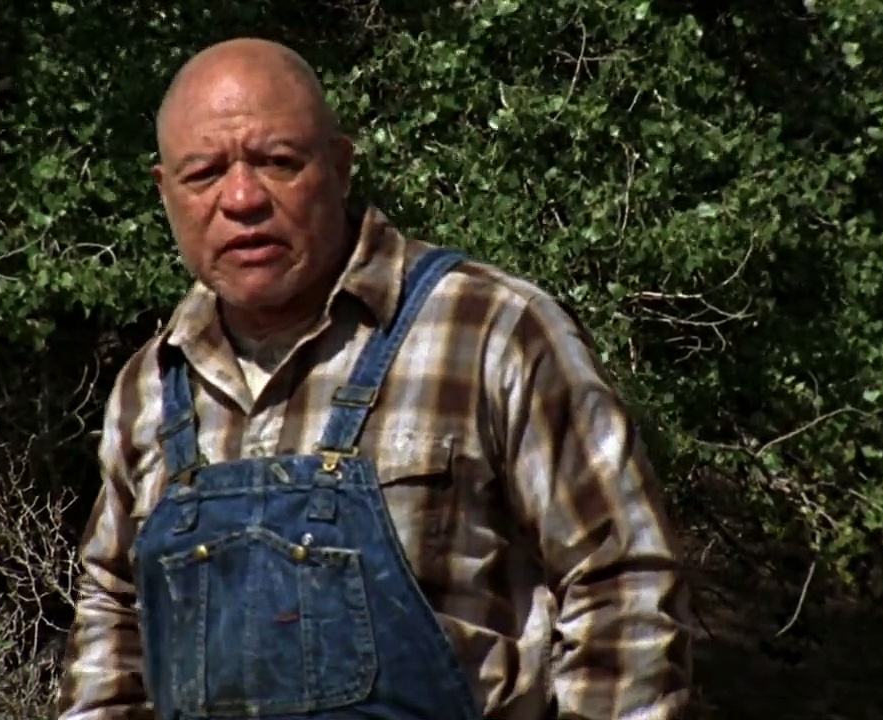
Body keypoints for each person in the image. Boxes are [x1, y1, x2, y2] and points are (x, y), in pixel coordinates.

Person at [56, 37, 692, 720]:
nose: (242, 198)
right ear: (165, 192)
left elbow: (622, 586)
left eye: (278, 162)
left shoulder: (492, 332)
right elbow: (111, 623)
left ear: (339, 166)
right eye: (204, 173)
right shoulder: (151, 389)